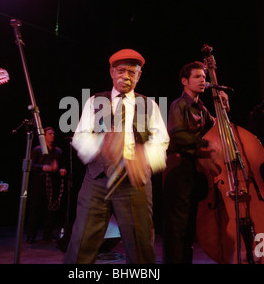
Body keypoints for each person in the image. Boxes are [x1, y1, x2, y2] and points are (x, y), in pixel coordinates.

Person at [64, 48, 169, 264]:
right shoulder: (94, 101)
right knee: (81, 243)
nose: (126, 77)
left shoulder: (150, 106)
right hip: (97, 180)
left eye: (132, 73)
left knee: (140, 248)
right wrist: (101, 148)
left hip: (134, 183)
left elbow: (161, 142)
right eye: (121, 71)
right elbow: (80, 136)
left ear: (139, 76)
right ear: (112, 72)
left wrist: (144, 156)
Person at [162, 61, 228, 264]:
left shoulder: (203, 109)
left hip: (195, 171)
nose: (203, 80)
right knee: (178, 227)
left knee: (189, 225)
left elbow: (219, 129)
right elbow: (177, 136)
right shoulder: (178, 105)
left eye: (204, 77)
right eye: (197, 77)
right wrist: (206, 142)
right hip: (178, 170)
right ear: (184, 81)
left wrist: (223, 106)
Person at [26, 126, 67, 243]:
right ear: (44, 136)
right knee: (35, 210)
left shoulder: (58, 151)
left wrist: (63, 169)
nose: (53, 135)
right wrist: (44, 167)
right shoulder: (37, 150)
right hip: (39, 183)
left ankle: (48, 234)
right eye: (50, 134)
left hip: (53, 183)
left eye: (53, 133)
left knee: (50, 210)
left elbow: (62, 164)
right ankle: (31, 236)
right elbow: (31, 166)